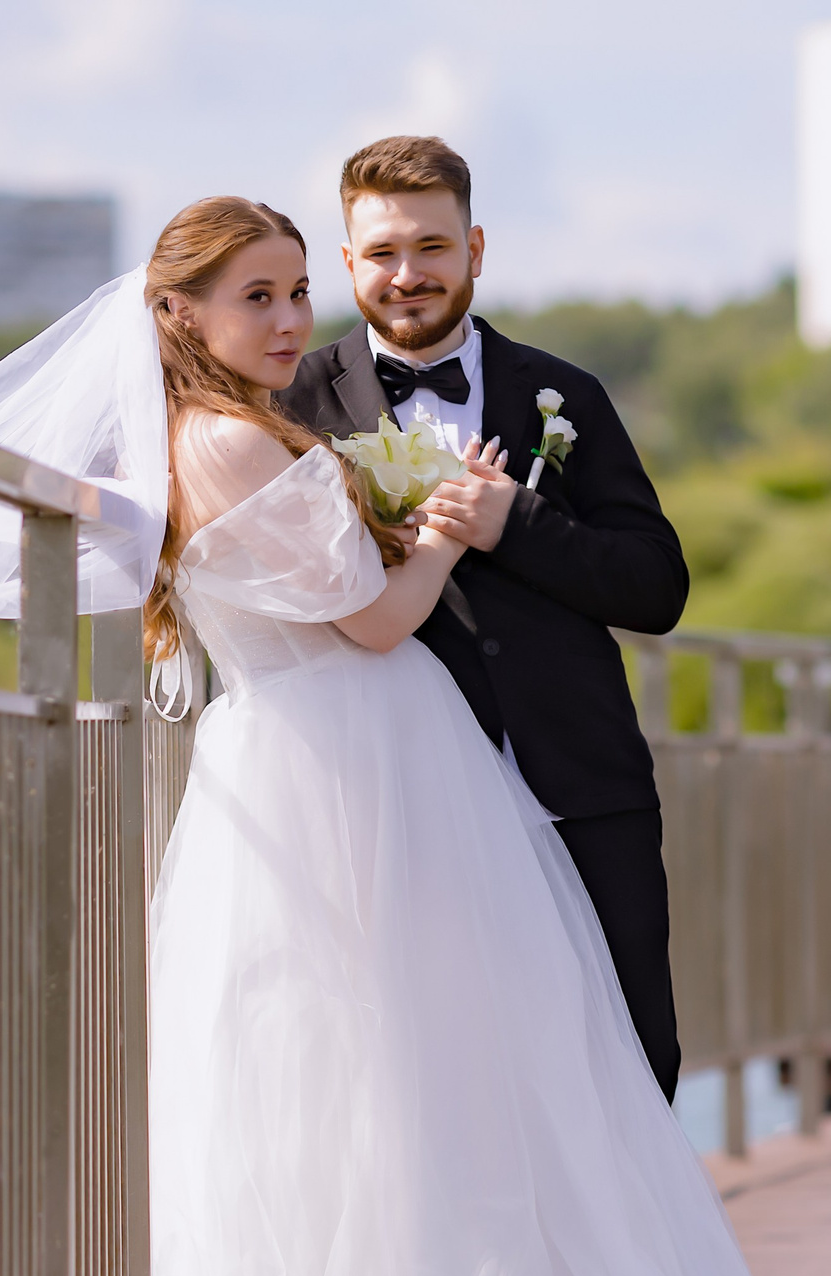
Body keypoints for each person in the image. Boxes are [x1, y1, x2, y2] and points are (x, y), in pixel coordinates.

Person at [99, 194, 822, 1276]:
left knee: (395, 1074)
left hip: (352, 762)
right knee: (400, 1073)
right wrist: (436, 529)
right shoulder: (229, 443)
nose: (288, 317)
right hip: (353, 770)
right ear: (180, 314)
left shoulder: (229, 433)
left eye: (292, 289)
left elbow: (644, 581)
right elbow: (377, 624)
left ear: (474, 248)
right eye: (256, 294)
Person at [278, 135, 690, 1101]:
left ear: (475, 248)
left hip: (582, 787)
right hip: (401, 802)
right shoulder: (292, 408)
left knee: (633, 1064)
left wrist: (519, 522)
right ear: (347, 264)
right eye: (381, 252)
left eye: (432, 246)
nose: (407, 274)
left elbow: (656, 589)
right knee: (447, 1087)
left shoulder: (565, 395)